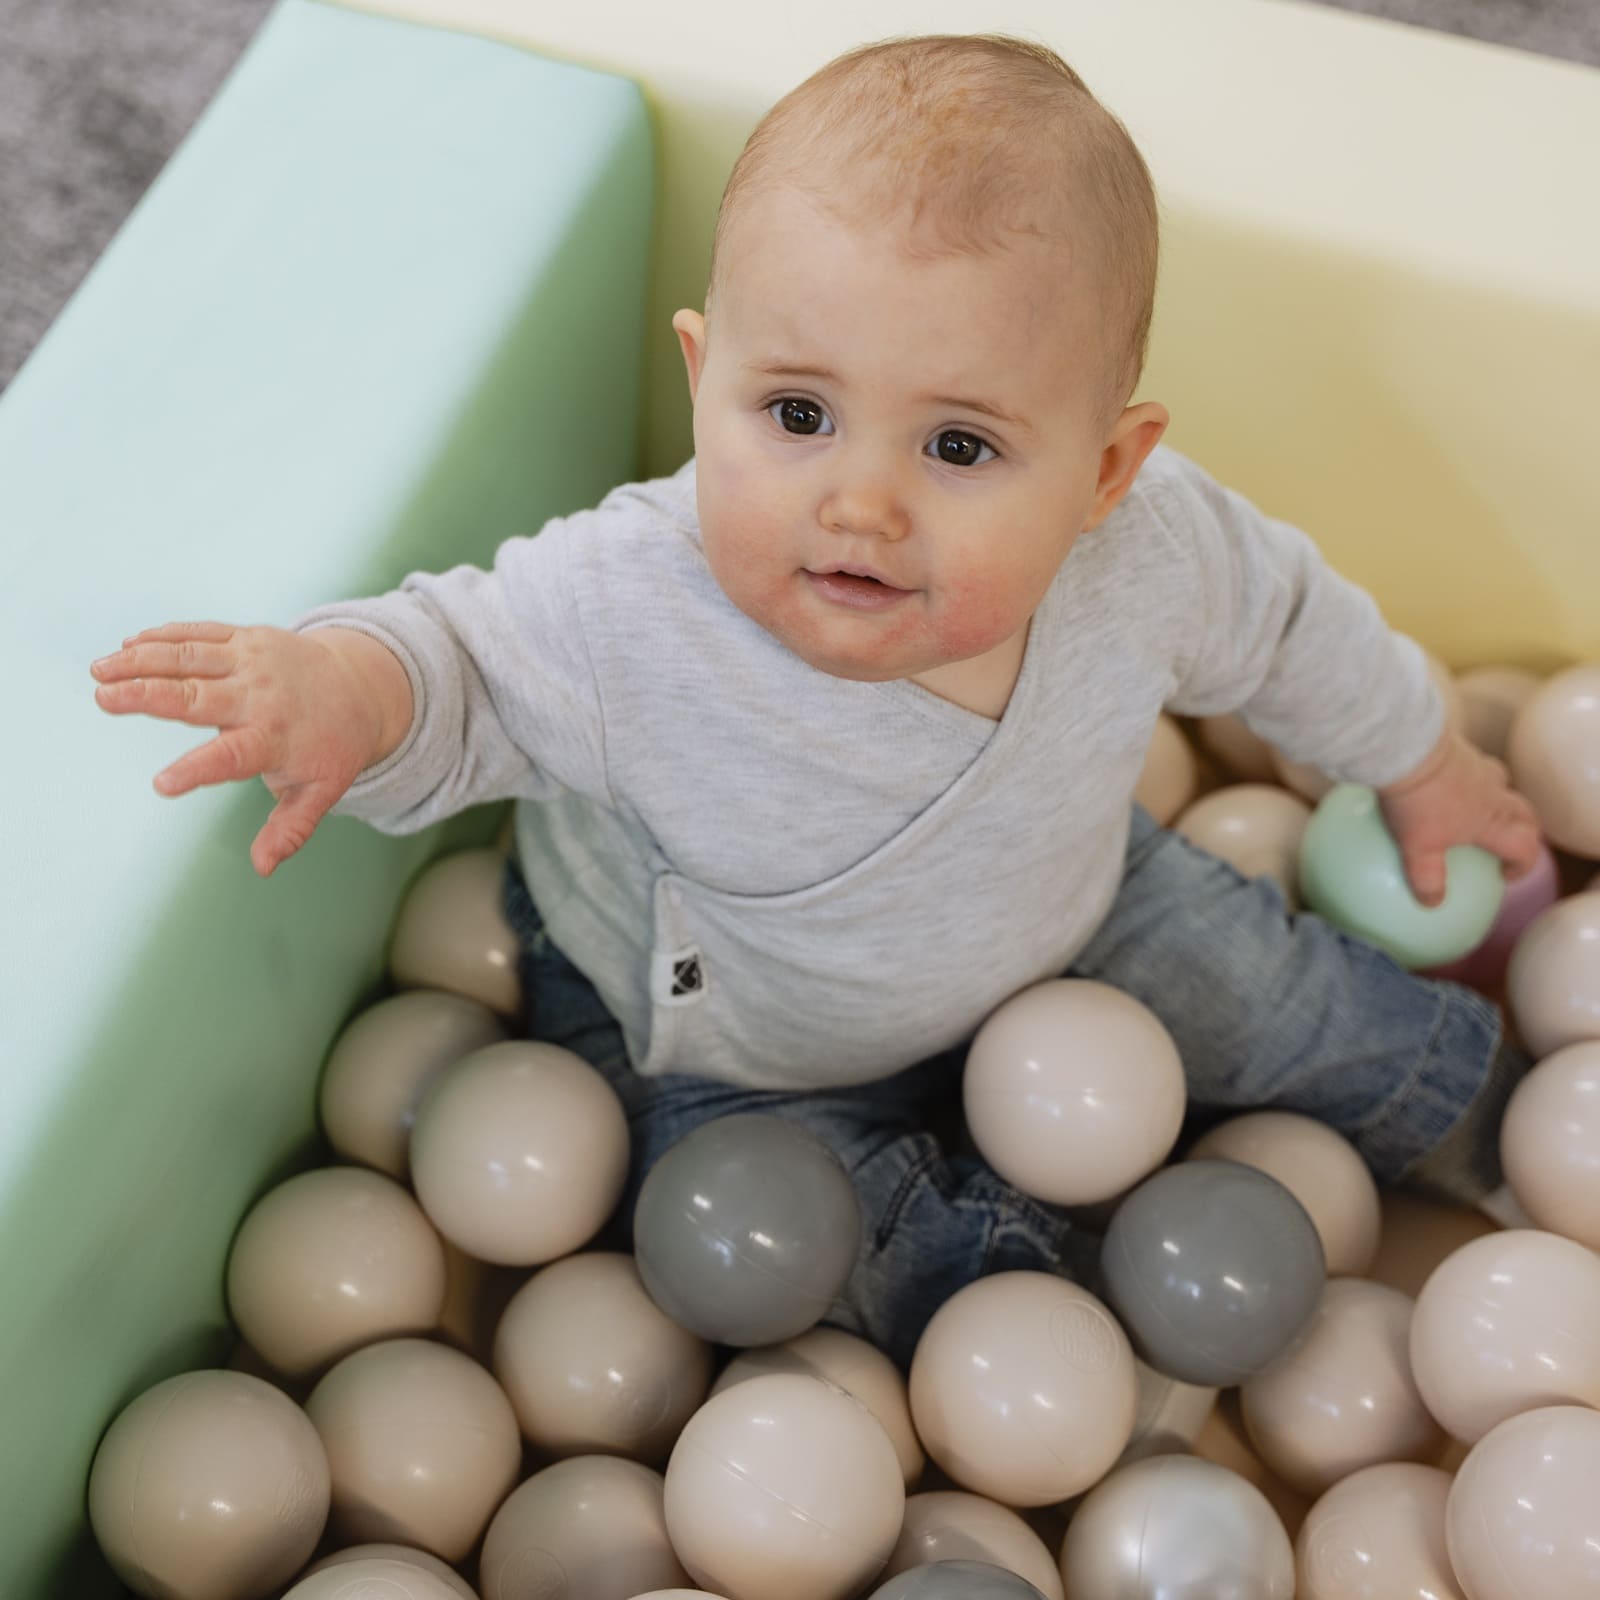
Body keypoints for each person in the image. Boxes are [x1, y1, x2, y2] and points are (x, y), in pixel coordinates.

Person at [90, 33, 1540, 1366]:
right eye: (796, 415)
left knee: (1292, 999)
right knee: (781, 1238)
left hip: (1075, 900)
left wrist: (1420, 761)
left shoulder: (1155, 555)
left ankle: (1507, 1124)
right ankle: (1068, 1311)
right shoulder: (637, 603)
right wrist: (349, 686)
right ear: (704, 381)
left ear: (1107, 473)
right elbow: (462, 658)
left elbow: (1292, 627)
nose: (859, 504)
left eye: (960, 446)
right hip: (732, 1033)